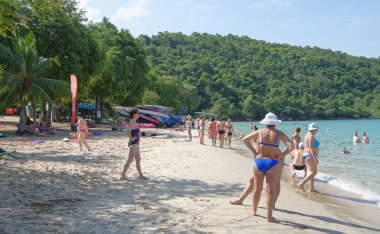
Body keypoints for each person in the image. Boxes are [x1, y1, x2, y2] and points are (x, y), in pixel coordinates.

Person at [241, 112, 294, 222]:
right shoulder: (279, 134)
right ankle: (269, 217)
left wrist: (254, 152)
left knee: (257, 189)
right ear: (275, 123)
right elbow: (292, 146)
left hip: (259, 161)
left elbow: (245, 140)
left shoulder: (260, 132)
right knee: (270, 191)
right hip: (272, 163)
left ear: (265, 122)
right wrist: (283, 154)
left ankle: (254, 211)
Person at [120, 108, 147, 180]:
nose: (139, 114)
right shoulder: (132, 122)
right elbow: (128, 130)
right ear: (134, 114)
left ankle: (141, 175)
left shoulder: (134, 122)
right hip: (134, 143)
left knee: (138, 159)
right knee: (130, 159)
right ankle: (122, 176)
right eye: (138, 113)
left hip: (136, 143)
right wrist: (131, 138)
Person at [297, 123, 320, 193]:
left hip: (307, 155)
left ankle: (311, 188)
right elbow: (310, 147)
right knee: (314, 173)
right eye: (316, 130)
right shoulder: (311, 136)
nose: (317, 131)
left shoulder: (307, 135)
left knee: (311, 173)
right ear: (314, 129)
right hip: (310, 155)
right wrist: (315, 158)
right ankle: (301, 183)